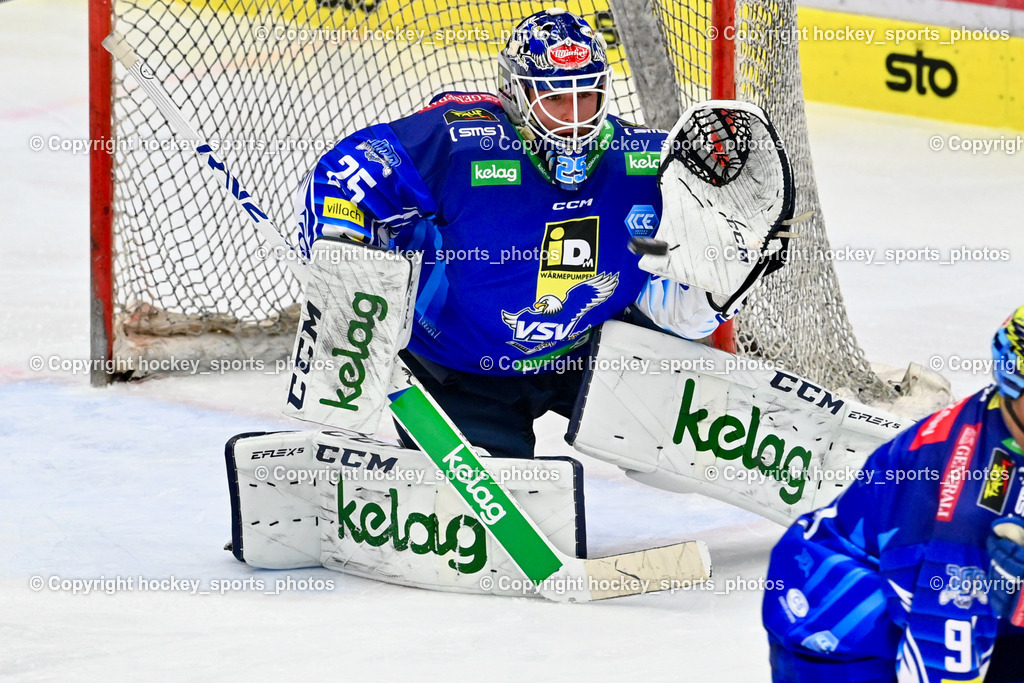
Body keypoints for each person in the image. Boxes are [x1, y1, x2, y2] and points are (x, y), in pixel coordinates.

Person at [294, 8, 742, 459]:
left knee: (685, 452)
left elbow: (673, 304)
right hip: (459, 368)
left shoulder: (646, 161)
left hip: (589, 350)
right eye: (555, 98)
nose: (574, 117)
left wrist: (720, 284)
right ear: (516, 93)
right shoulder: (460, 143)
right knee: (487, 512)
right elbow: (343, 175)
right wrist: (345, 260)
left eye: (586, 95)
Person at [762, 306, 1024, 682]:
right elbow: (940, 658)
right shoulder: (966, 510)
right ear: (1013, 386)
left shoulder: (1006, 417)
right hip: (839, 635)